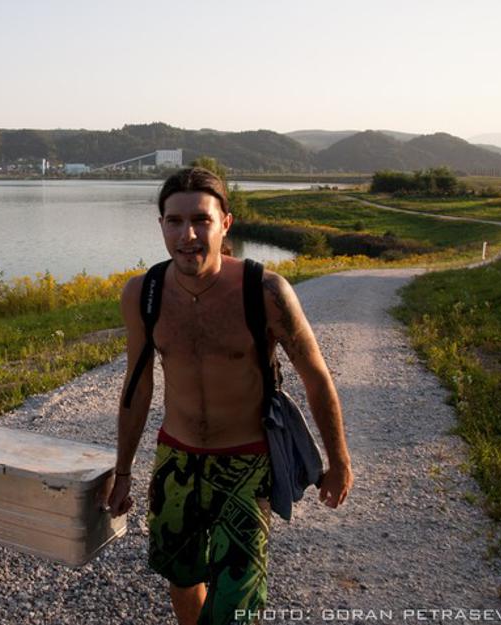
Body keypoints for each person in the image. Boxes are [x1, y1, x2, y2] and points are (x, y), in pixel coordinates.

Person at [106, 168, 353, 625]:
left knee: (238, 604)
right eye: (175, 221)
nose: (188, 235)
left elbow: (317, 378)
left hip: (245, 465)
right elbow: (137, 386)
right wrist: (122, 472)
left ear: (225, 224)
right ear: (161, 225)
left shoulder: (266, 291)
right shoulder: (144, 293)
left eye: (201, 220)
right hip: (176, 461)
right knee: (181, 576)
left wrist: (338, 461)